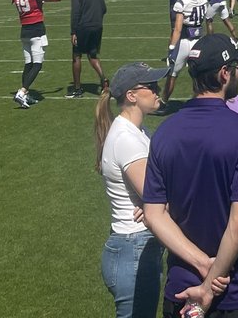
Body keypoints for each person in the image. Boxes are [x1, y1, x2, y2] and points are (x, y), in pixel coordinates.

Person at [143, 33, 238, 318]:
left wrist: (201, 263)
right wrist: (211, 280)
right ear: (224, 74)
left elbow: (154, 214)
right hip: (232, 289)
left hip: (181, 286)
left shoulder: (164, 133)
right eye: (237, 69)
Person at [94, 61, 169, 318]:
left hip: (134, 247)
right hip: (133, 250)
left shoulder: (136, 131)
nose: (158, 89)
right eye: (150, 86)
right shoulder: (127, 138)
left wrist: (153, 203)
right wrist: (155, 203)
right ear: (132, 96)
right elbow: (158, 198)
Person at [11, 0, 69, 108]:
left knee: (28, 63)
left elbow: (28, 1)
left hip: (24, 31)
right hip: (36, 30)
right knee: (37, 64)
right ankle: (22, 91)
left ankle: (26, 94)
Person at [162, 0, 209, 105]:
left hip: (184, 41)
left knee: (173, 74)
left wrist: (171, 47)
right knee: (197, 75)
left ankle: (163, 102)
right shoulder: (203, 0)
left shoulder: (181, 3)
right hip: (198, 40)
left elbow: (177, 29)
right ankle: (197, 101)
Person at [70, 0, 108, 98]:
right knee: (93, 55)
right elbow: (104, 9)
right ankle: (104, 81)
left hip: (83, 27)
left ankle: (77, 88)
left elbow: (75, 14)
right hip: (97, 26)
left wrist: (73, 32)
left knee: (76, 56)